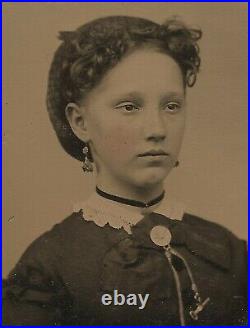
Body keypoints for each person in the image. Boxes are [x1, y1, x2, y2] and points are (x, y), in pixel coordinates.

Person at [3, 15, 247, 326]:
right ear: (81, 122)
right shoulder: (50, 266)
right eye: (129, 106)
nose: (157, 129)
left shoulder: (228, 250)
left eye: (171, 106)